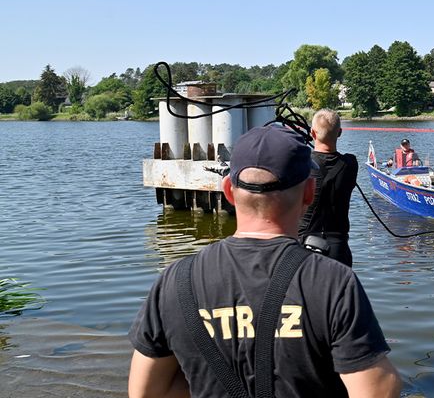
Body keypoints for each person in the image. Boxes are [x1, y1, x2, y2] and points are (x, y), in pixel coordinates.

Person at [128, 125, 401, 398]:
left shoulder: (175, 281)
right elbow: (378, 390)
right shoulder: (333, 282)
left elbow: (145, 392)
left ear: (228, 191)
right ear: (309, 193)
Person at [299, 109, 359, 267]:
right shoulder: (350, 165)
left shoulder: (301, 164)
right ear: (339, 133)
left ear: (312, 133)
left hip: (305, 246)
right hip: (338, 248)